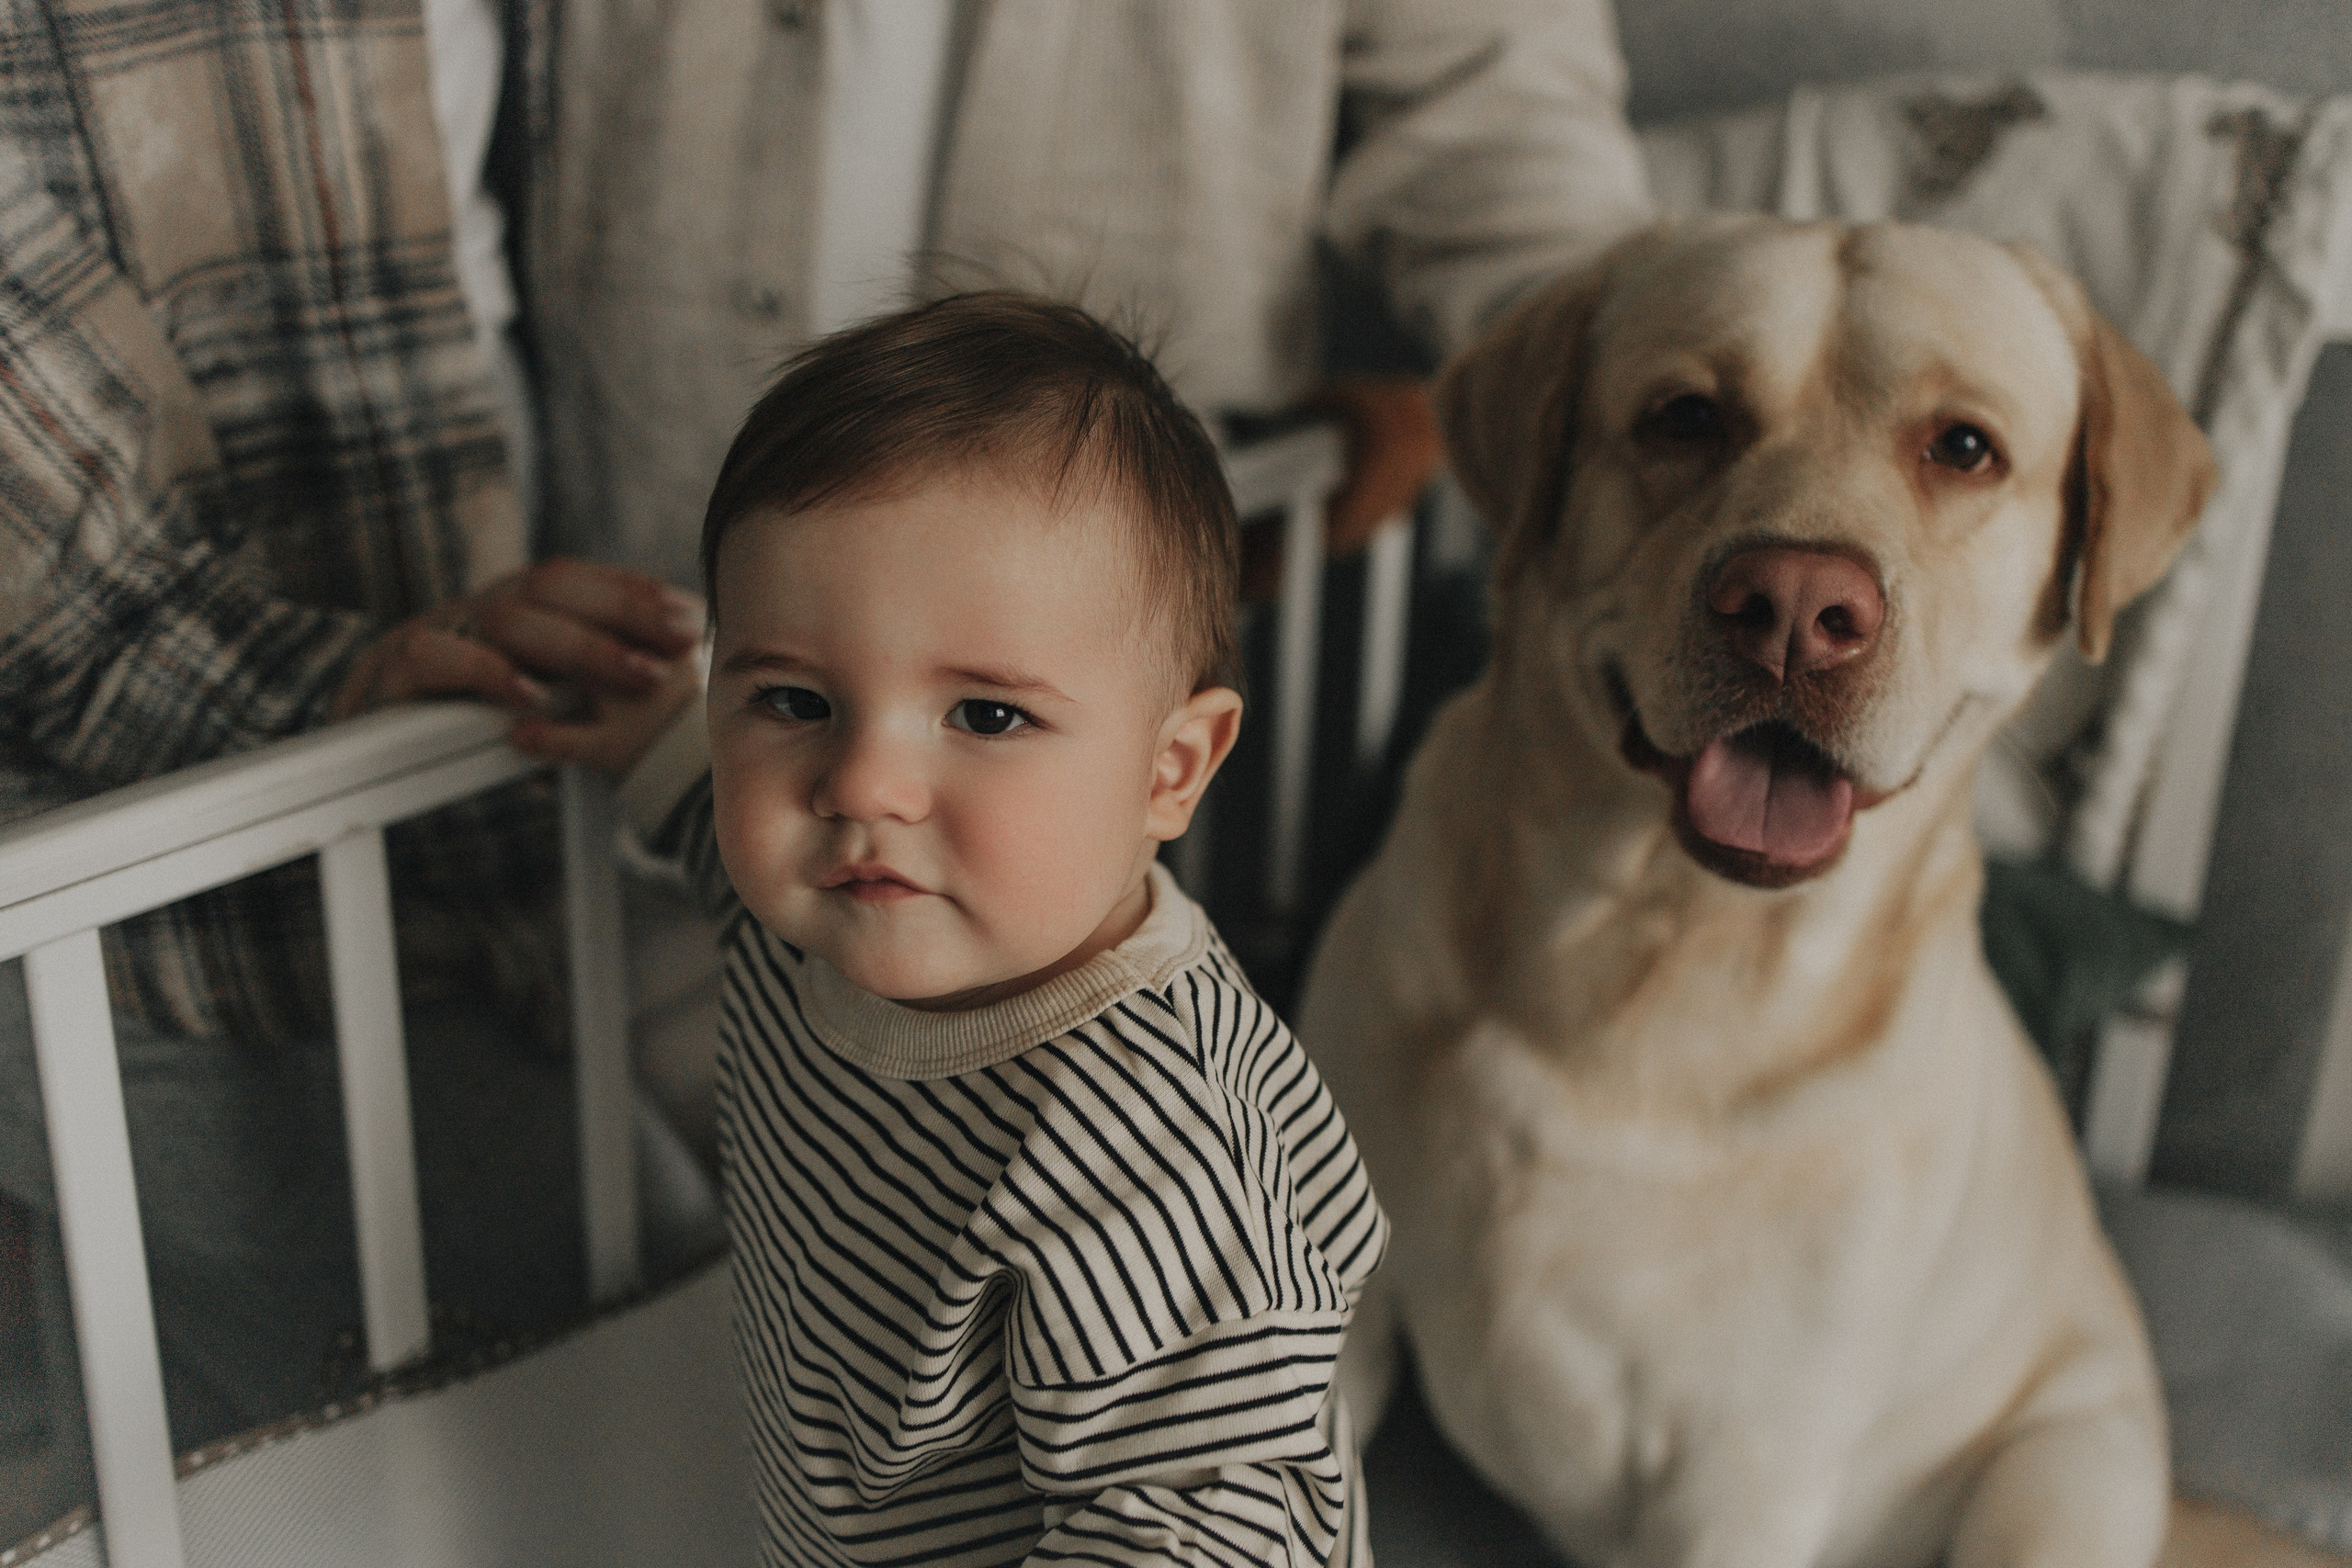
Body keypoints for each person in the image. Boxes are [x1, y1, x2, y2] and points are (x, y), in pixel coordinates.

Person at [550, 291, 1388, 1566]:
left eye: (987, 717)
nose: (860, 785)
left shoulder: (1155, 1144)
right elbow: (706, 813)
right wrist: (627, 702)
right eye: (792, 698)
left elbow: (1204, 1534)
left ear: (1174, 769)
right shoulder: (813, 919)